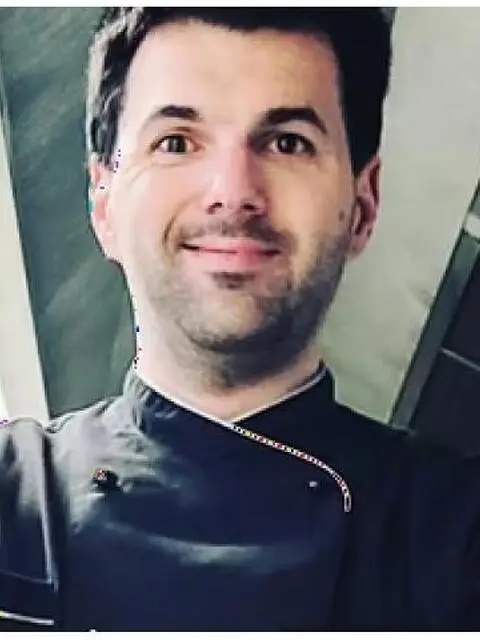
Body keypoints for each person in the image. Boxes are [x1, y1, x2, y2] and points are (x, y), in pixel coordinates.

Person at [0, 7, 478, 632]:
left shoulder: (458, 532)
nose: (233, 191)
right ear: (104, 204)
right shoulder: (14, 496)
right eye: (176, 142)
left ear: (362, 207)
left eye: (287, 143)